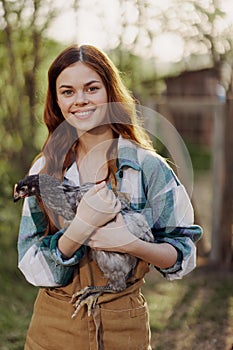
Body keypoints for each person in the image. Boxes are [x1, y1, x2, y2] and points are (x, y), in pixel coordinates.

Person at [17, 44, 202, 350]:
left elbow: (183, 254)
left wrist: (132, 244)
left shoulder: (147, 167)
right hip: (53, 329)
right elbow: (31, 264)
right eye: (67, 92)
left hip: (123, 328)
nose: (80, 100)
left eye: (91, 88)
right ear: (57, 100)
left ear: (110, 92)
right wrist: (78, 231)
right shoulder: (45, 169)